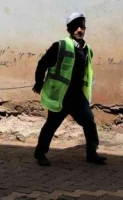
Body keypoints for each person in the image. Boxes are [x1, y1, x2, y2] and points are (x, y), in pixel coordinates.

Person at [32, 12, 107, 166]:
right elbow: (42, 63)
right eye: (76, 26)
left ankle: (92, 154)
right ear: (69, 29)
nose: (80, 29)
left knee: (89, 122)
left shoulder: (87, 50)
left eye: (82, 26)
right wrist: (39, 82)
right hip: (61, 95)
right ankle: (40, 154)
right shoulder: (60, 46)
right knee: (52, 124)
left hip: (78, 96)